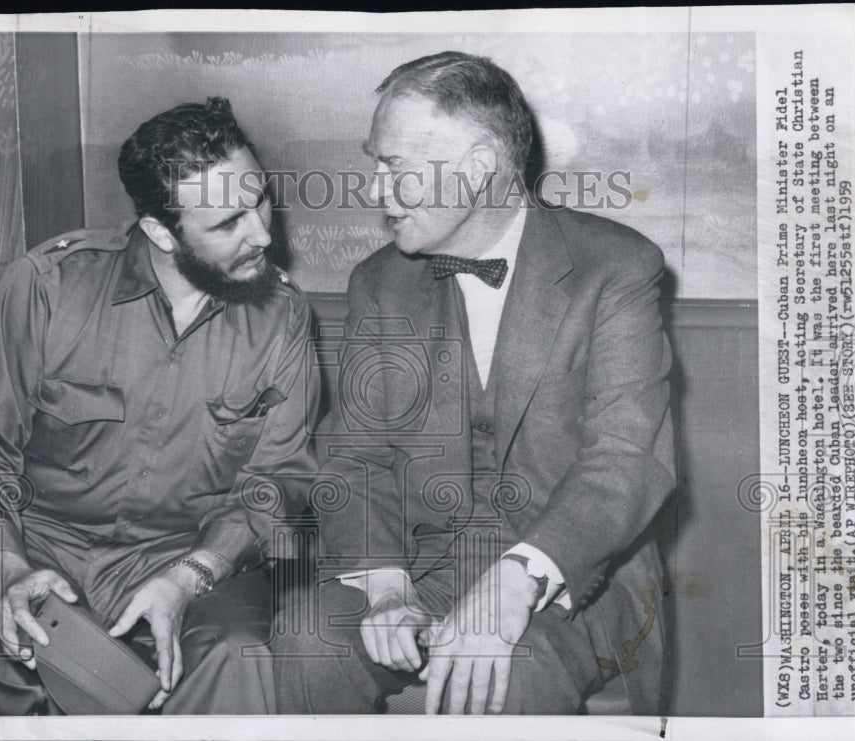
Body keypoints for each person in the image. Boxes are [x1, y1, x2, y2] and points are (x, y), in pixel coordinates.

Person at [274, 52, 675, 715]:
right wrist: (384, 585)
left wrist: (520, 576)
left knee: (505, 675)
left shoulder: (617, 268)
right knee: (305, 637)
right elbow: (356, 458)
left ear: (478, 165)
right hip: (424, 563)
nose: (375, 192)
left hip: (577, 573)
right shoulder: (378, 282)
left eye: (393, 166)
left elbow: (625, 460)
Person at [0, 97, 318, 715]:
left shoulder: (282, 318)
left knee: (239, 658)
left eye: (260, 199)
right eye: (229, 221)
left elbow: (278, 480)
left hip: (190, 558)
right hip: (35, 543)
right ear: (161, 231)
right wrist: (9, 570)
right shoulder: (47, 287)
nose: (262, 233)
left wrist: (191, 578)